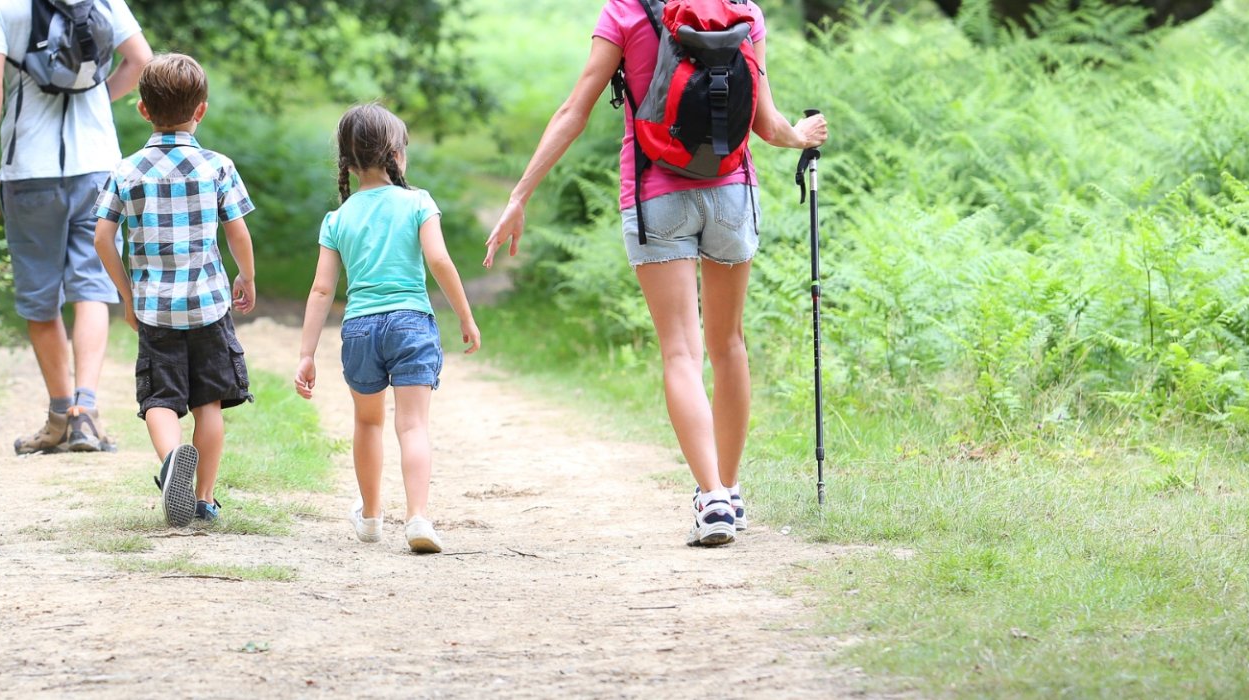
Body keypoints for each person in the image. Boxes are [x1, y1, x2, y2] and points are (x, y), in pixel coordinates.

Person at [482, 0, 828, 547]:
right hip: (732, 192)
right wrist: (802, 134)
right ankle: (731, 494)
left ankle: (710, 495)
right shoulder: (744, 11)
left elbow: (574, 110)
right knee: (729, 345)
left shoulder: (625, 11)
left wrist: (519, 195)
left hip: (654, 194)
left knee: (680, 352)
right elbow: (766, 124)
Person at [295, 103, 482, 555]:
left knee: (367, 421)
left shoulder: (337, 219)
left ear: (347, 162)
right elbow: (438, 260)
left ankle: (373, 516)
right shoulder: (418, 202)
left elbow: (322, 290)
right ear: (396, 155)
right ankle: (417, 516)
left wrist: (306, 352)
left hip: (359, 328)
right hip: (411, 323)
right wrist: (464, 314)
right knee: (413, 425)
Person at [0, 0, 151, 455]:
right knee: (92, 286)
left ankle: (58, 415)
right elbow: (142, 61)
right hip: (97, 164)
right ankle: (85, 414)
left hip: (27, 169)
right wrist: (94, 97)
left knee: (40, 295)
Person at [92, 53, 258, 528]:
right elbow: (238, 233)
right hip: (208, 304)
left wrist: (127, 295)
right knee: (209, 403)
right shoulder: (217, 167)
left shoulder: (126, 171)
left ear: (143, 110)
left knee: (160, 400)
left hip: (154, 309)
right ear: (200, 110)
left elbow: (102, 237)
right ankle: (204, 499)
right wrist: (245, 276)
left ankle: (170, 464)